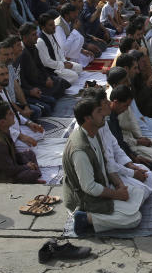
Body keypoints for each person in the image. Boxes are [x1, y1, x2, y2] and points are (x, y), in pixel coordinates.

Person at [62, 96, 145, 235]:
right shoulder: (80, 150)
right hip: (84, 200)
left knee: (138, 193)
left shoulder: (94, 132)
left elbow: (107, 163)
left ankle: (109, 212)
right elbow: (89, 187)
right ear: (88, 118)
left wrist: (118, 185)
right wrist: (116, 195)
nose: (104, 114)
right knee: (134, 218)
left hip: (102, 186)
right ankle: (85, 218)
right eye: (99, 111)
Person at [0, 62, 46, 150]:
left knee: (40, 132)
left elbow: (13, 112)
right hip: (4, 134)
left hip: (14, 127)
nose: (6, 77)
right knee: (29, 148)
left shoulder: (3, 89)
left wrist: (29, 123)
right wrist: (20, 136)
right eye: (2, 74)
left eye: (7, 73)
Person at [0, 101, 45, 184]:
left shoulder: (3, 129)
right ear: (2, 122)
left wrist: (27, 163)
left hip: (8, 165)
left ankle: (35, 174)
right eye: (10, 114)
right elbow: (9, 170)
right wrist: (26, 167)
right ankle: (35, 176)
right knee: (30, 173)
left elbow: (14, 153)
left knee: (30, 154)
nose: (13, 115)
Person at [18, 23, 69, 99]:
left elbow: (40, 65)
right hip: (34, 84)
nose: (37, 37)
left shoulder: (34, 47)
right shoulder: (22, 53)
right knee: (51, 96)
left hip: (42, 78)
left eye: (36, 34)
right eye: (33, 35)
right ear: (25, 37)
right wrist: (44, 83)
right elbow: (28, 77)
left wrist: (47, 78)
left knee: (62, 82)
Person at [35, 13, 81, 85]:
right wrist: (63, 65)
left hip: (60, 63)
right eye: (50, 25)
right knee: (74, 76)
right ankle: (59, 80)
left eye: (53, 24)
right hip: (52, 69)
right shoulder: (40, 41)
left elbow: (59, 50)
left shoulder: (51, 33)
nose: (54, 27)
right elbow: (46, 62)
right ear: (43, 27)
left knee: (79, 68)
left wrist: (64, 61)